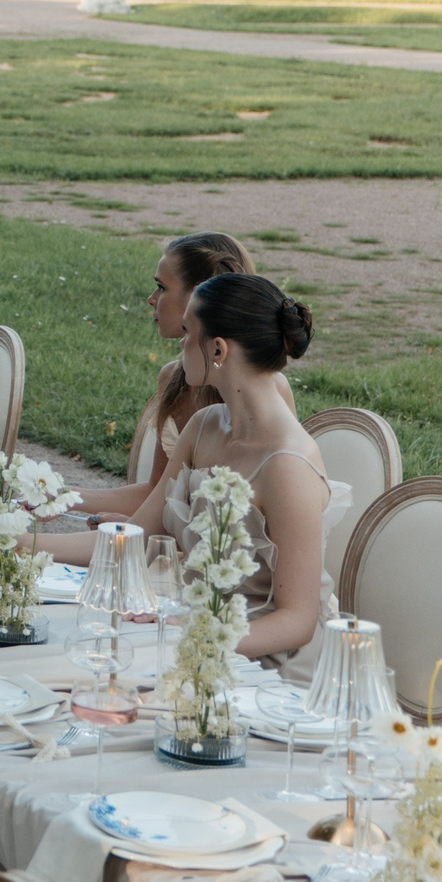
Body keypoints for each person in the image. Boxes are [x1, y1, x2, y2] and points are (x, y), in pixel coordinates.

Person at [132, 273, 345, 680]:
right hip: (198, 643)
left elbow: (297, 621)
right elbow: (135, 537)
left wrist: (194, 635)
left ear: (217, 349)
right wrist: (20, 539)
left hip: (273, 669)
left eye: (188, 332)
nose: (179, 343)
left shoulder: (287, 466)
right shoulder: (203, 426)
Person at [80, 233, 272, 522]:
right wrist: (57, 495)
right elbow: (158, 492)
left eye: (161, 287)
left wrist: (141, 533)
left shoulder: (264, 391)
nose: (151, 299)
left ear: (197, 294)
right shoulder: (173, 377)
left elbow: (255, 519)